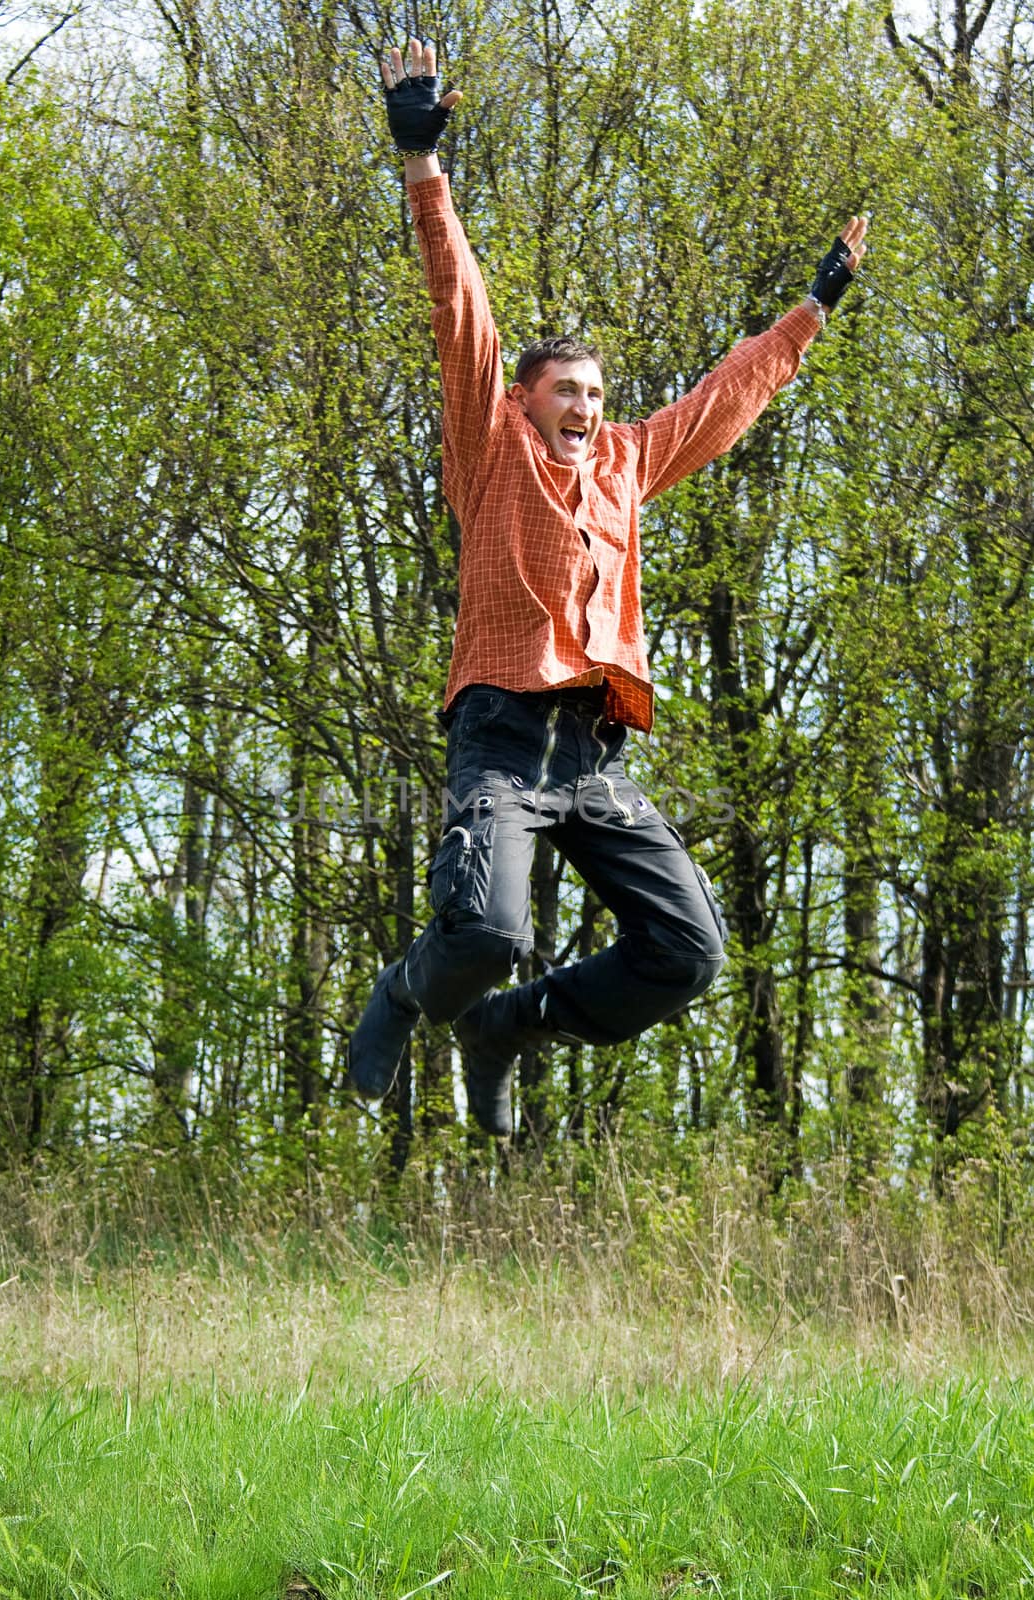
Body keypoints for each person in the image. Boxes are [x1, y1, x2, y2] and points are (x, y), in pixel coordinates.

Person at [349, 39, 868, 1136]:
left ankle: (511, 1026)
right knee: (484, 932)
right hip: (498, 736)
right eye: (564, 392)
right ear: (526, 402)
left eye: (594, 392)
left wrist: (809, 313)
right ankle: (406, 996)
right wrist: (420, 167)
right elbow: (461, 314)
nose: (584, 406)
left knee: (687, 953)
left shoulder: (628, 462)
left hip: (588, 759)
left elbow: (723, 399)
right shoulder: (489, 451)